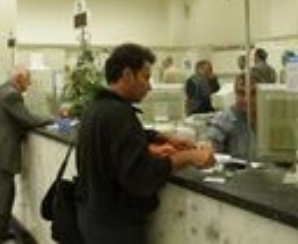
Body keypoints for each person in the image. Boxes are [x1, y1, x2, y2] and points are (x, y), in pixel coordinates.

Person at [76, 43, 215, 244]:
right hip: (116, 228)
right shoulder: (119, 114)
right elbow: (142, 177)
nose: (149, 86)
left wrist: (161, 137)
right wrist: (189, 157)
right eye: (146, 77)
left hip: (93, 218)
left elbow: (119, 138)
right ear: (127, 74)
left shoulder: (98, 107)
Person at [0, 66, 54, 244]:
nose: (29, 85)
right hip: (1, 155)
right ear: (19, 78)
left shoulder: (2, 89)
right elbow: (28, 119)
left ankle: (0, 232)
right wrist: (52, 119)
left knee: (5, 196)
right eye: (27, 80)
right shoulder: (11, 95)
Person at [204, 75, 257, 160]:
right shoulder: (225, 119)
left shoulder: (269, 119)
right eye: (241, 93)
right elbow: (211, 144)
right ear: (235, 94)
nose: (247, 99)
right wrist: (208, 146)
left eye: (253, 93)